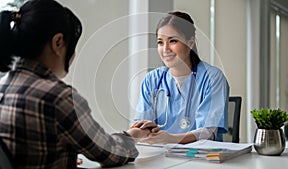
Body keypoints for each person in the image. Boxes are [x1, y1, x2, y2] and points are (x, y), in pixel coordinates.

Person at [0, 0, 153, 168]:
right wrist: (134, 135)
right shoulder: (57, 97)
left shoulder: (3, 86)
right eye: (72, 46)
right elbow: (109, 153)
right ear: (58, 42)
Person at [132, 11, 230, 144]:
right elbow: (142, 126)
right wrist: (126, 136)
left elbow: (208, 132)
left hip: (201, 158)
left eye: (173, 41)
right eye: (160, 42)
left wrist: (170, 139)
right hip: (161, 156)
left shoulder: (212, 78)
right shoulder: (152, 80)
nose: (166, 49)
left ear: (190, 43)